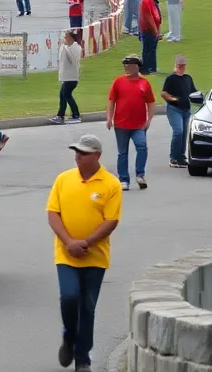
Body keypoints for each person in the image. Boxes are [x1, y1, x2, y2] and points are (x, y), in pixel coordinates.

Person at [47, 134, 121, 372]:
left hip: (95, 256)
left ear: (97, 155)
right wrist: (69, 242)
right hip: (66, 253)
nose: (78, 157)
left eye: (83, 153)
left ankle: (83, 358)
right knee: (69, 297)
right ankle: (69, 337)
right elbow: (53, 213)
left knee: (87, 306)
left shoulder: (110, 184)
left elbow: (111, 220)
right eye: (76, 152)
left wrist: (86, 243)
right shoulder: (63, 179)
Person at [106, 55, 155, 190]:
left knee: (142, 147)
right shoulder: (118, 82)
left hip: (139, 124)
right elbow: (112, 100)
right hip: (121, 124)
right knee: (122, 153)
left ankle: (140, 174)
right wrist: (109, 118)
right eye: (125, 66)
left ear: (136, 67)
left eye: (130, 66)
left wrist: (149, 119)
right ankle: (124, 179)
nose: (127, 68)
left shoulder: (144, 83)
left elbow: (150, 102)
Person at [161, 55, 197, 168]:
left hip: (186, 110)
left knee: (184, 133)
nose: (181, 67)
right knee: (178, 131)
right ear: (176, 64)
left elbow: (193, 92)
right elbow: (164, 93)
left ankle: (181, 157)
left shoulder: (187, 78)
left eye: (182, 65)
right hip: (174, 109)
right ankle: (173, 158)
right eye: (179, 65)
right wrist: (174, 99)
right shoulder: (171, 78)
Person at [51, 30, 83, 125]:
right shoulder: (68, 47)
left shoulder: (75, 48)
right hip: (67, 78)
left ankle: (75, 115)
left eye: (66, 37)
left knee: (66, 95)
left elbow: (72, 59)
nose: (65, 39)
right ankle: (61, 115)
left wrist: (64, 47)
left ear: (72, 38)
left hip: (71, 78)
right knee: (63, 96)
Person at [138, 0, 161, 75]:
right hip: (148, 30)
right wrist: (155, 31)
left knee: (151, 49)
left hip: (150, 29)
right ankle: (147, 68)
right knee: (148, 50)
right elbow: (149, 17)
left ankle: (152, 68)